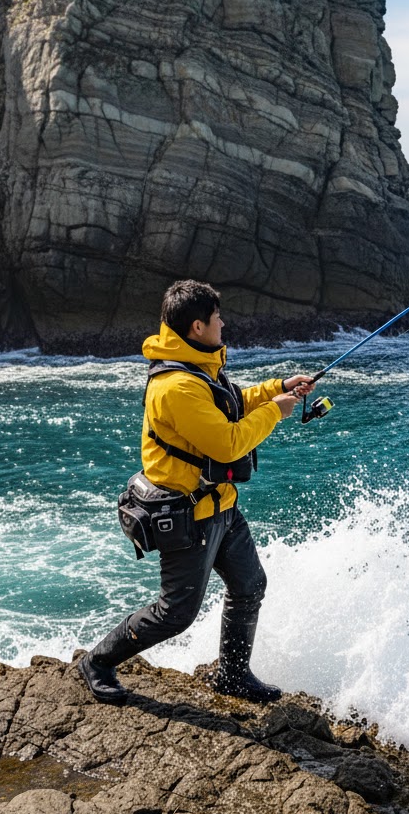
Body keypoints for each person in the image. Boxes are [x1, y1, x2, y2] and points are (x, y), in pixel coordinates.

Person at [78, 279, 316, 705]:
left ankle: (233, 676)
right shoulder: (176, 386)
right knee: (175, 614)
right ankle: (97, 662)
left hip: (220, 505)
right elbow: (226, 442)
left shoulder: (199, 366)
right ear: (196, 327)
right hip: (188, 515)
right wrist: (276, 413)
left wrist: (278, 388)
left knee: (249, 585)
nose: (223, 322)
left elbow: (230, 402)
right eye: (217, 318)